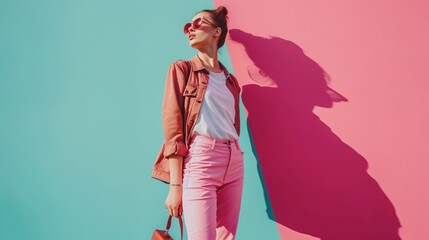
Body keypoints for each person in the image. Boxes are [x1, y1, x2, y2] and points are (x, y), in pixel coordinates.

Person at [151, 6, 244, 240]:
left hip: (234, 160)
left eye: (198, 23)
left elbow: (233, 126)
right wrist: (175, 187)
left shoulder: (231, 82)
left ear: (216, 32)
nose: (190, 29)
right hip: (201, 159)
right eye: (188, 26)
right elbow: (173, 132)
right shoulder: (182, 70)